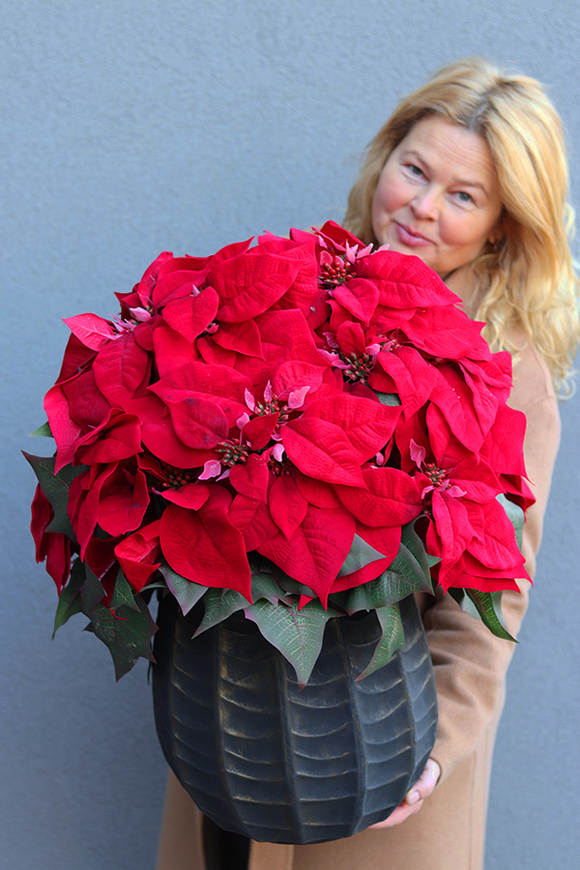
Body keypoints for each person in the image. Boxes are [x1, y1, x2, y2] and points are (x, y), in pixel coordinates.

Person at [156, 57, 579, 870]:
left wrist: (433, 751)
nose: (422, 207)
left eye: (464, 196)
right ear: (385, 158)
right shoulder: (294, 289)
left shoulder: (506, 372)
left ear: (502, 225)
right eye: (415, 170)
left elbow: (493, 597)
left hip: (381, 755)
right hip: (234, 727)